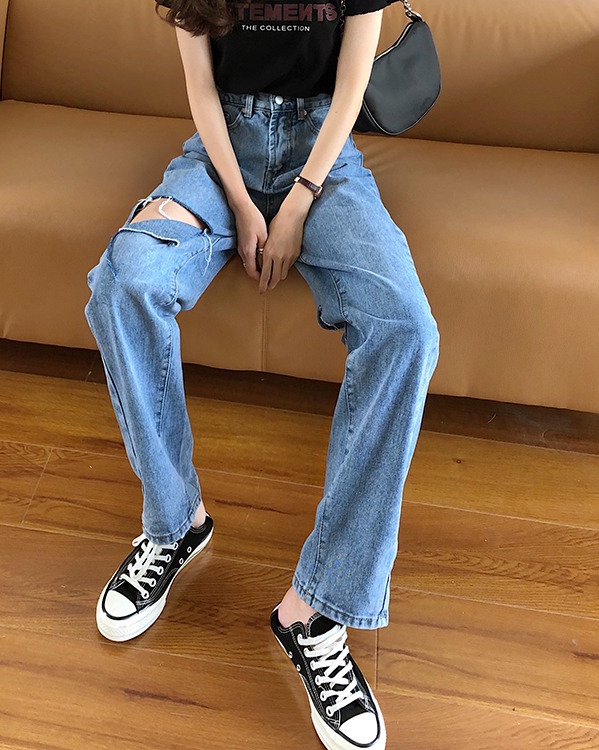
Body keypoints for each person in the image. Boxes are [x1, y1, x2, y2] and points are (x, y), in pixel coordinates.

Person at [83, 0, 440, 746]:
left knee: (407, 328)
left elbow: (351, 87)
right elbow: (202, 88)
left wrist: (297, 204)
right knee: (126, 281)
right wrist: (245, 206)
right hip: (221, 155)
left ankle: (318, 609)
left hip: (324, 156)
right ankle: (174, 523)